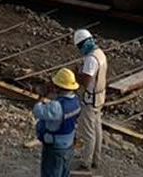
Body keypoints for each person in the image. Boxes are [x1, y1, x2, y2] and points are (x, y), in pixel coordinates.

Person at [31, 67, 81, 177]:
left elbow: (37, 111)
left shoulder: (57, 107)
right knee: (64, 173)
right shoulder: (76, 101)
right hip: (68, 145)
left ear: (59, 87)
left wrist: (42, 97)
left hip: (54, 147)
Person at [72, 28, 108, 172]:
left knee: (88, 132)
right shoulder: (100, 54)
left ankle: (85, 162)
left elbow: (86, 81)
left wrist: (76, 74)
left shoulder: (91, 59)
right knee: (97, 128)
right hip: (100, 96)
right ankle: (96, 159)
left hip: (90, 99)